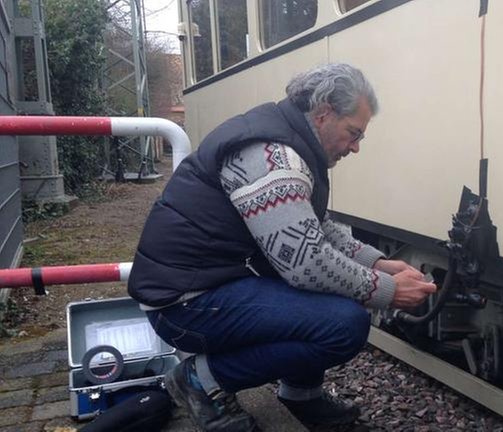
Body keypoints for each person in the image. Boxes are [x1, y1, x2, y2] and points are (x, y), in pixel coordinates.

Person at [127, 63, 437, 432]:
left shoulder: (286, 139)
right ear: (323, 115)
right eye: (353, 133)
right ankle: (198, 380)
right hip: (184, 305)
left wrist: (380, 264)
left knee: (329, 299)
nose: (355, 147)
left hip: (208, 283)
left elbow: (313, 227)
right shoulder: (272, 156)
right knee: (344, 322)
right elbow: (305, 262)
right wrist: (386, 291)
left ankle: (301, 396)